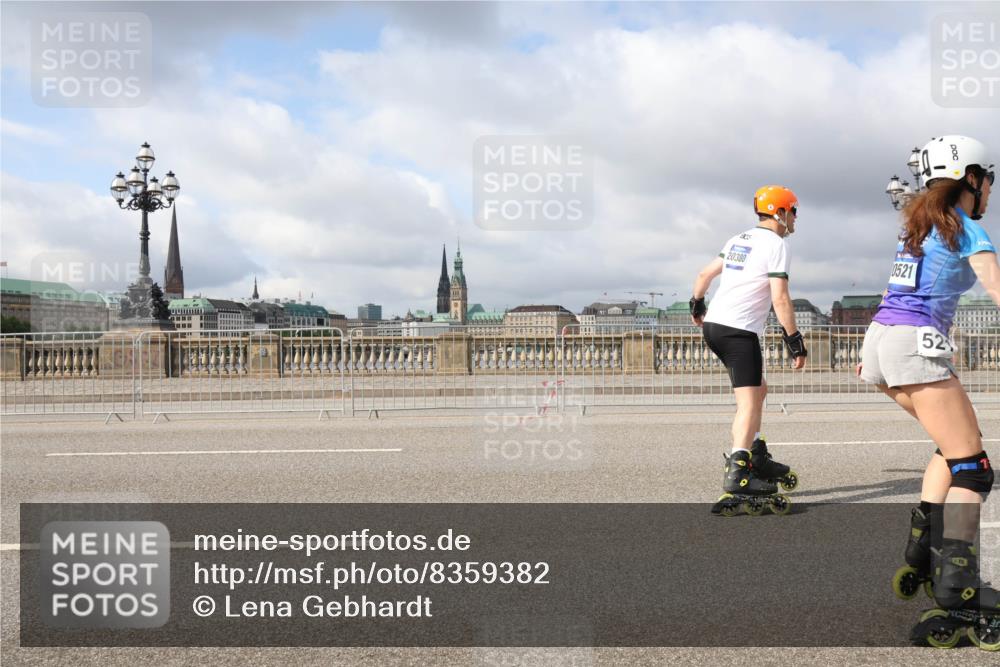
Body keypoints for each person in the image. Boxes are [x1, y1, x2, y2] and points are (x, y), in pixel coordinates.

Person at [858, 135, 999, 649]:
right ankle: (958, 590)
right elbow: (997, 289)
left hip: (881, 344)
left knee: (952, 448)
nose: (990, 189)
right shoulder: (967, 227)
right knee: (974, 469)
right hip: (913, 346)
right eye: (989, 179)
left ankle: (922, 554)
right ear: (971, 178)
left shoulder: (918, 225)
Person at [690, 185, 808, 516]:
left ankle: (756, 453)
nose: (796, 218)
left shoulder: (738, 239)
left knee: (759, 390)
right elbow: (780, 297)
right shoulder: (777, 245)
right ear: (781, 213)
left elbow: (704, 274)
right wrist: (794, 339)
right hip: (739, 330)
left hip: (715, 326)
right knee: (749, 400)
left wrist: (697, 305)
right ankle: (739, 470)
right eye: (794, 211)